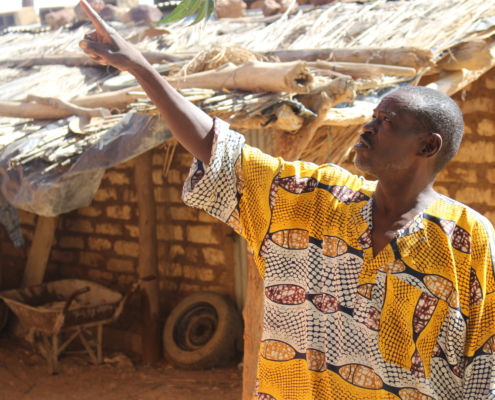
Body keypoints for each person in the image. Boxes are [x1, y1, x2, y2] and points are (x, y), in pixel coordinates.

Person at [78, 1, 495, 398]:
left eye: (386, 122)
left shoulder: (466, 239)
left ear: (427, 146)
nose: (367, 128)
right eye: (372, 116)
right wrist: (141, 67)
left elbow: (485, 364)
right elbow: (220, 151)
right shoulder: (315, 199)